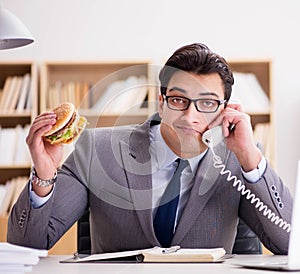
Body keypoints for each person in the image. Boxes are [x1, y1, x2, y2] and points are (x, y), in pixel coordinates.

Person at [7, 42, 292, 255]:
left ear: (224, 111)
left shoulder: (238, 158)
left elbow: (289, 245)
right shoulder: (97, 149)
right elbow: (27, 247)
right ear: (161, 101)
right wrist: (44, 175)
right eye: (179, 100)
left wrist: (251, 161)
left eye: (207, 103)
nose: (190, 116)